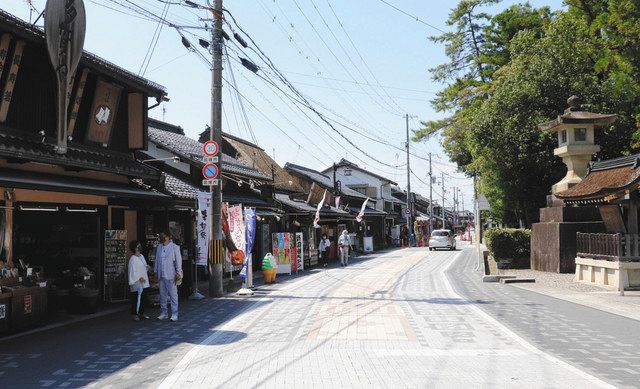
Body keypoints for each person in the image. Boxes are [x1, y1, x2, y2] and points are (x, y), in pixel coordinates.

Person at [154, 231, 183, 322]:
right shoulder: (159, 247)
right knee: (162, 295)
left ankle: (175, 313)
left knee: (173, 295)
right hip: (161, 274)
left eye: (163, 236)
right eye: (161, 235)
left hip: (171, 274)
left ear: (168, 237)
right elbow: (157, 260)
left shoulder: (174, 247)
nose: (162, 237)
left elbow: (178, 261)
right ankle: (164, 312)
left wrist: (179, 272)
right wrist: (155, 271)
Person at [128, 240, 149, 321]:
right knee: (136, 298)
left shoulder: (141, 256)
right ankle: (135, 314)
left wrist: (147, 268)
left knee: (143, 298)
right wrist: (139, 277)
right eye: (139, 245)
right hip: (137, 282)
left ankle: (142, 312)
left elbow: (144, 266)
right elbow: (132, 271)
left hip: (144, 281)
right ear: (135, 248)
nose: (140, 246)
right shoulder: (133, 259)